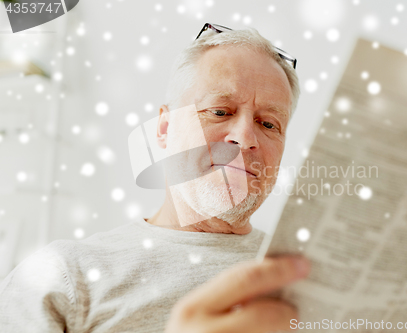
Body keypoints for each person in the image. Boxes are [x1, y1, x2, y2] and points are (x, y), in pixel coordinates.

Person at [0, 23, 309, 332]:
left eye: (268, 124)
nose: (245, 138)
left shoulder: (313, 279)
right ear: (164, 129)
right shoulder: (62, 276)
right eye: (219, 111)